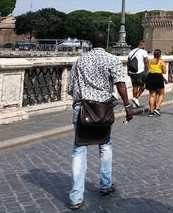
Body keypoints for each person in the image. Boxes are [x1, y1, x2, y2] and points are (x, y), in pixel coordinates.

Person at [67, 31, 133, 210]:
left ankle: (75, 197)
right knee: (105, 145)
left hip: (82, 108)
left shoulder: (80, 61)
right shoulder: (112, 60)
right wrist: (127, 106)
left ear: (91, 43)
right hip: (103, 110)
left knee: (79, 149)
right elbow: (120, 84)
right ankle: (105, 184)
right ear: (106, 43)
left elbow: (71, 88)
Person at [145, 49, 168, 116]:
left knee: (152, 95)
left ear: (154, 54)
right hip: (158, 77)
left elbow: (148, 69)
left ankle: (151, 111)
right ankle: (157, 108)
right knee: (161, 93)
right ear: (160, 55)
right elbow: (164, 72)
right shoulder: (161, 62)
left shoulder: (149, 61)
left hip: (150, 77)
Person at [127, 40, 149, 108]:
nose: (145, 46)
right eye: (144, 45)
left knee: (135, 87)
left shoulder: (131, 52)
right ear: (141, 44)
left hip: (132, 72)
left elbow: (128, 62)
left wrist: (128, 71)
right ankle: (136, 98)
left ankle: (135, 103)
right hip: (140, 72)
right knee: (144, 85)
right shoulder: (143, 52)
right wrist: (149, 70)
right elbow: (146, 62)